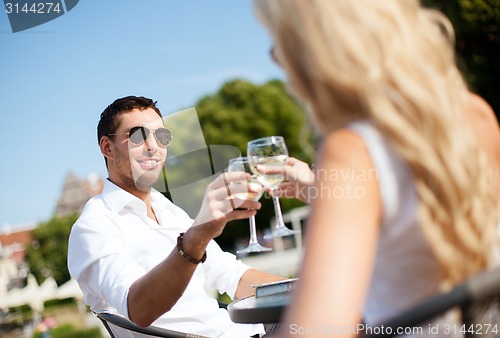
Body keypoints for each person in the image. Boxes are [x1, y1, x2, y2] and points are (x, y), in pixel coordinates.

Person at [253, 0, 500, 337]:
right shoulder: (477, 114)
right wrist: (316, 188)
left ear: (314, 46)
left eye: (279, 42)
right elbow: (409, 206)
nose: (275, 59)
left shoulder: (351, 149)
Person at [67, 96, 284, 338]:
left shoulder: (166, 208)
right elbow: (138, 308)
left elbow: (234, 277)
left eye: (161, 136)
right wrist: (198, 235)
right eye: (138, 136)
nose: (153, 146)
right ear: (108, 147)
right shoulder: (95, 226)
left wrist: (307, 288)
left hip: (244, 331)